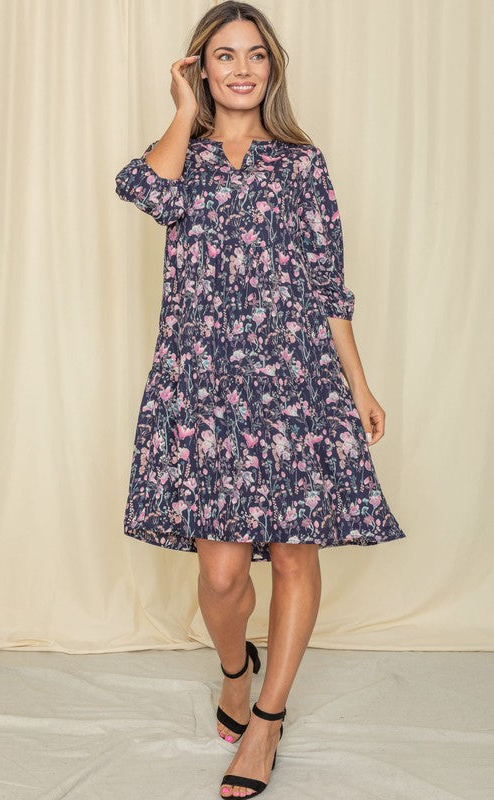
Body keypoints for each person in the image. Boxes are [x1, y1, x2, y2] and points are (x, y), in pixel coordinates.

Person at [115, 2, 406, 796]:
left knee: (292, 550)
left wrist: (360, 383)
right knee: (219, 574)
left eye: (255, 56)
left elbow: (328, 286)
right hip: (202, 380)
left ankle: (266, 723)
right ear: (201, 69)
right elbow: (145, 191)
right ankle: (235, 670)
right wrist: (181, 113)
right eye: (223, 56)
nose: (241, 68)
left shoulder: (303, 165)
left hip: (296, 378)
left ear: (272, 69)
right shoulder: (183, 155)